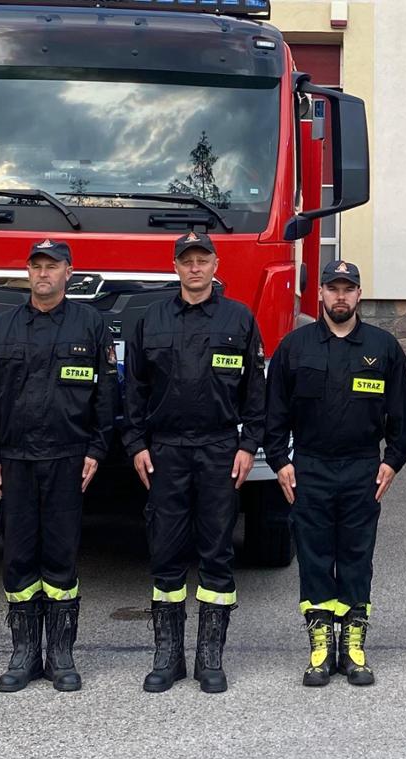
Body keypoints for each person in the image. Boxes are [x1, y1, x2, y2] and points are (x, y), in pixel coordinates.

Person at [124, 230, 266, 694]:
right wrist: (136, 444)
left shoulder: (239, 318)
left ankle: (210, 658)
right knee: (165, 554)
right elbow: (135, 391)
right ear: (176, 267)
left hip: (219, 450)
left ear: (215, 264)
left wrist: (249, 447)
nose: (195, 268)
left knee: (217, 554)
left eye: (202, 259)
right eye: (187, 261)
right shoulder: (152, 319)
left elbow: (256, 394)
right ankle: (168, 657)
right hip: (165, 451)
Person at [0, 239, 117, 693]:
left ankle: (60, 655)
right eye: (36, 266)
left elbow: (105, 396)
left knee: (60, 556)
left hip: (67, 459)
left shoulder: (90, 325)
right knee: (17, 556)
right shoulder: (2, 327)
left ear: (68, 272)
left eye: (51, 267)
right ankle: (22, 655)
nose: (43, 274)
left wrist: (96, 450)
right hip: (14, 460)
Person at [264, 260, 406, 687]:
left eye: (348, 289)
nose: (340, 296)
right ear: (322, 294)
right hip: (309, 467)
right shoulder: (296, 347)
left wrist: (393, 460)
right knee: (313, 557)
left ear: (359, 294)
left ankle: (353, 646)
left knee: (356, 556)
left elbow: (401, 413)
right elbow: (274, 414)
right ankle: (321, 647)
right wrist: (280, 461)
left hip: (363, 468)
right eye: (333, 288)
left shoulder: (383, 348)